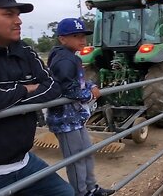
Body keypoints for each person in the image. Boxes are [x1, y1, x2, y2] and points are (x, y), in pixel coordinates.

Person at [0, 0, 74, 195]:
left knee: (66, 193)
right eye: (8, 14)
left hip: (24, 162)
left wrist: (8, 99)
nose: (18, 21)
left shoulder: (24, 51)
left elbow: (53, 86)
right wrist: (26, 88)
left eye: (18, 15)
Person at [45, 18, 115, 196]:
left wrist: (90, 85)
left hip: (75, 118)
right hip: (65, 120)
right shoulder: (63, 60)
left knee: (87, 152)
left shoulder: (72, 57)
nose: (82, 40)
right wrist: (91, 94)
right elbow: (68, 89)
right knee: (76, 159)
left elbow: (79, 82)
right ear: (62, 39)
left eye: (83, 35)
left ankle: (92, 188)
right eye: (76, 36)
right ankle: (82, 193)